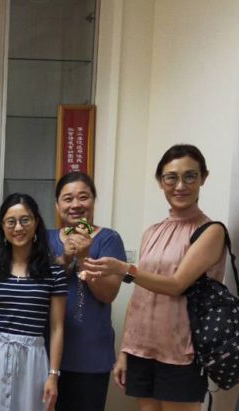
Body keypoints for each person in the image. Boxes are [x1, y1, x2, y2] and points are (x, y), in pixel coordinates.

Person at [82, 144, 227, 411]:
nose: (180, 186)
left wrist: (124, 269)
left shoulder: (211, 231)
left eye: (190, 176)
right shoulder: (152, 231)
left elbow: (176, 285)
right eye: (171, 177)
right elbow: (140, 296)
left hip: (182, 350)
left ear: (203, 178)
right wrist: (125, 351)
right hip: (142, 348)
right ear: (161, 182)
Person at [0, 193, 66, 411]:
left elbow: (57, 328)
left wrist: (53, 375)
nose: (18, 227)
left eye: (25, 220)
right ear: (3, 227)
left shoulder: (54, 273)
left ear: (36, 223)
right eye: (11, 222)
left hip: (33, 360)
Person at [47, 172, 126, 411]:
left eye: (83, 197)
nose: (75, 204)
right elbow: (38, 287)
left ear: (93, 200)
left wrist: (83, 258)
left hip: (90, 355)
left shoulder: (109, 239)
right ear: (57, 205)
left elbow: (107, 294)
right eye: (68, 198)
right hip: (46, 353)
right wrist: (65, 259)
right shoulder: (45, 239)